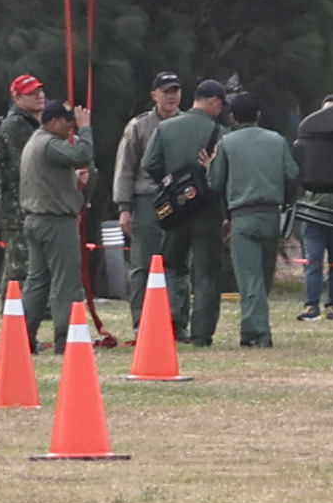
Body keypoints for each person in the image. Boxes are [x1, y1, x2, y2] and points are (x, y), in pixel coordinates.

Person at [144, 80, 230, 345]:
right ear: (213, 101)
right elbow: (225, 177)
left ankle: (172, 324)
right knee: (206, 274)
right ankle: (202, 334)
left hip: (176, 212)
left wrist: (171, 182)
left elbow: (149, 163)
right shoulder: (222, 133)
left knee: (172, 266)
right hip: (208, 212)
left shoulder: (165, 128)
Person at [213, 89, 295, 348]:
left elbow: (216, 182)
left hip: (242, 215)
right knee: (264, 276)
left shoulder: (227, 143)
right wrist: (288, 202)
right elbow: (292, 175)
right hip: (271, 214)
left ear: (234, 117)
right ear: (259, 115)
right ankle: (253, 329)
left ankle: (258, 333)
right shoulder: (277, 140)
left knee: (249, 279)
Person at [7, 100, 92, 350]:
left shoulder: (35, 141)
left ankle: (23, 337)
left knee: (38, 281)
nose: (71, 128)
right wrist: (86, 129)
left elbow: (46, 176)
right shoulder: (50, 144)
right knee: (66, 281)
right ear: (54, 122)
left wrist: (70, 179)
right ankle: (67, 339)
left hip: (35, 219)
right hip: (55, 222)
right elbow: (82, 155)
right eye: (68, 122)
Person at [107, 67, 187, 298]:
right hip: (147, 200)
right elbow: (125, 169)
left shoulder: (188, 124)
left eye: (175, 91)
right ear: (154, 95)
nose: (171, 96)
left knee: (178, 264)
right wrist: (124, 208)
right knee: (143, 262)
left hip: (181, 200)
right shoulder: (139, 126)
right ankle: (140, 319)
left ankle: (176, 319)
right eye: (165, 91)